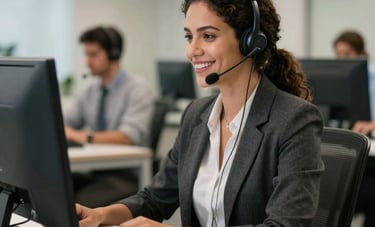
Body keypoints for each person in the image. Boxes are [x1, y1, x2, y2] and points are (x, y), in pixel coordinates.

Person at [76, 0, 324, 226]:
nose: (191, 50)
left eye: (207, 36)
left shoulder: (294, 120)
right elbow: (155, 198)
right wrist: (101, 215)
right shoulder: (196, 115)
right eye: (189, 37)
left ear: (250, 41)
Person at [64, 26, 156, 207]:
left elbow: (128, 137)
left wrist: (81, 136)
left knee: (80, 203)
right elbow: (65, 121)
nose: (87, 61)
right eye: (86, 54)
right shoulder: (91, 90)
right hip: (95, 170)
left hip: (126, 175)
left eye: (93, 55)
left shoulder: (138, 89)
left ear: (113, 54)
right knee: (54, 189)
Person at [333, 30, 375, 135]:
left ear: (360, 54)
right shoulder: (338, 79)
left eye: (347, 54)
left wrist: (372, 125)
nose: (342, 60)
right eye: (338, 55)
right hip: (349, 134)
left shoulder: (373, 76)